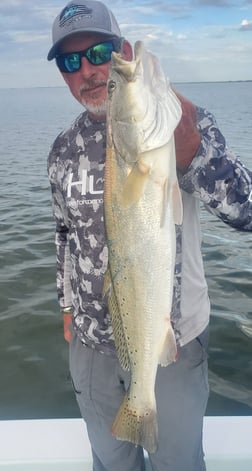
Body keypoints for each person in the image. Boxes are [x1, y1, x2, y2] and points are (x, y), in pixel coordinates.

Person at [47, 1, 252, 470]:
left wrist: (193, 153)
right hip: (91, 344)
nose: (91, 71)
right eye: (71, 61)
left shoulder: (184, 126)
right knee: (110, 461)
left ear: (119, 49)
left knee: (178, 463)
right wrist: (65, 303)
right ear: (63, 74)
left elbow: (247, 210)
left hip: (171, 341)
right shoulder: (62, 150)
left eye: (100, 53)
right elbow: (63, 231)